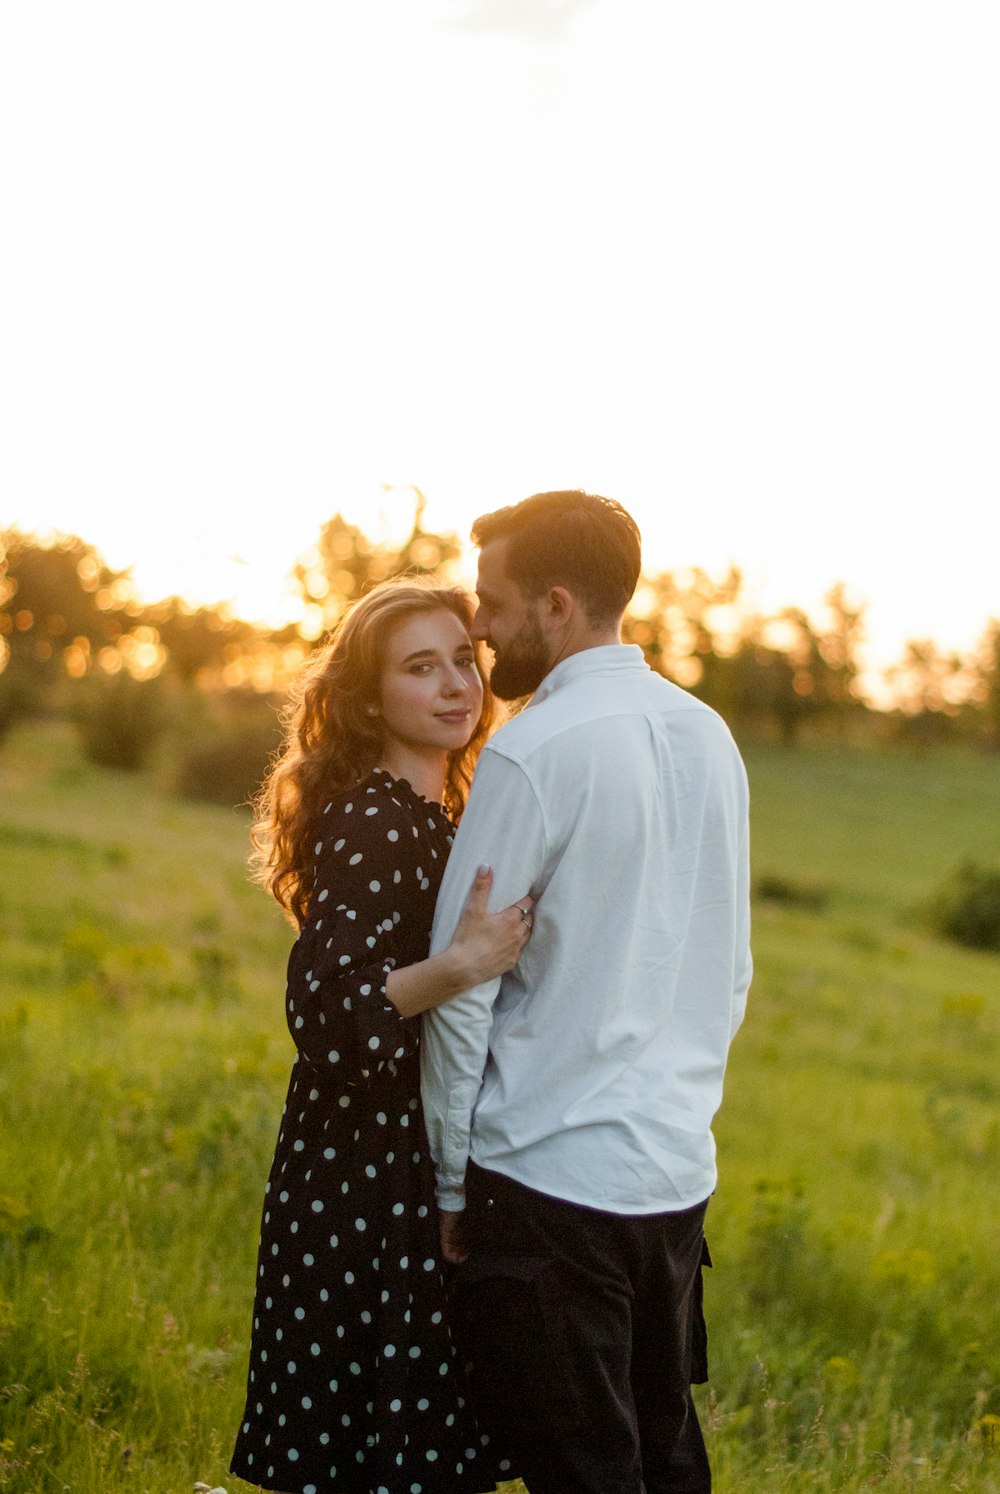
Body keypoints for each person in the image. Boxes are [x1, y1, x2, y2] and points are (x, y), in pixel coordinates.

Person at [421, 490, 752, 1494]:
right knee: (665, 1459)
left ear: (555, 605)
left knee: (584, 1471)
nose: (479, 627)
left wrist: (446, 1184)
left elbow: (463, 984)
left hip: (546, 1180)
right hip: (672, 1179)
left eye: (493, 602)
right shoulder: (709, 738)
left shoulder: (532, 751)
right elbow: (727, 967)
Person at [230, 579, 530, 1494]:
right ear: (367, 698)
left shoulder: (438, 816)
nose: (456, 685)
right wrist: (462, 966)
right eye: (420, 667)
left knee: (407, 1430)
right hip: (361, 1165)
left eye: (462, 661)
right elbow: (326, 1007)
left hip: (408, 1151)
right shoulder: (374, 817)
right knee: (373, 1440)